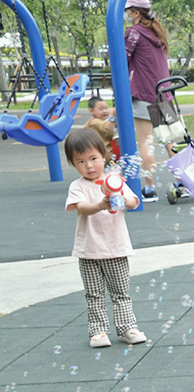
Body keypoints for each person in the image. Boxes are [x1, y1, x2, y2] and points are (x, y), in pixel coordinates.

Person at [64, 129, 147, 348]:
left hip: (116, 248)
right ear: (73, 164)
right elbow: (82, 208)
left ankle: (127, 328)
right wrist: (101, 204)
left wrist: (120, 197)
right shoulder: (77, 187)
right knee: (94, 294)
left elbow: (132, 201)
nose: (89, 166)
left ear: (104, 156)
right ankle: (98, 332)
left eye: (93, 159)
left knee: (121, 293)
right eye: (80, 161)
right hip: (88, 251)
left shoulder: (114, 181)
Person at [124, 0, 170, 203]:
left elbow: (120, 57)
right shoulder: (156, 31)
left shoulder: (134, 32)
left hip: (144, 93)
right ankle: (187, 181)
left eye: (126, 12)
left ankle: (149, 189)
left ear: (134, 13)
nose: (124, 15)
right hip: (165, 93)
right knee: (170, 140)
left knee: (146, 142)